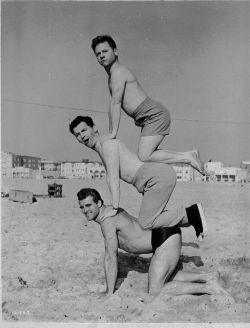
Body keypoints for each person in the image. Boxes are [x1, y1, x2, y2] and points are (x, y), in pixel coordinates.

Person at [69, 115, 207, 240]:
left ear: (94, 128)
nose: (82, 136)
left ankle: (192, 213)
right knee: (153, 218)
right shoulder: (103, 147)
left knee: (146, 222)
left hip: (155, 177)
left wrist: (114, 208)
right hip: (151, 179)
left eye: (84, 130)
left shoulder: (107, 145)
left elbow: (113, 178)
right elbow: (110, 178)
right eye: (77, 134)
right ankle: (190, 219)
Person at [77, 188, 229, 299]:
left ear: (99, 203)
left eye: (89, 205)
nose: (85, 210)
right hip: (163, 235)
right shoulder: (111, 210)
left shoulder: (107, 221)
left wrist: (109, 293)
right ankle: (209, 276)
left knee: (155, 291)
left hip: (164, 239)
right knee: (165, 277)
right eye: (82, 207)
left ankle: (208, 287)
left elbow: (111, 256)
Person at [91, 35, 205, 175]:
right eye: (98, 54)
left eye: (105, 51)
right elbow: (112, 105)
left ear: (115, 51)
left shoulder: (118, 73)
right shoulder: (113, 76)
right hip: (148, 118)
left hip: (154, 115)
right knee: (146, 155)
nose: (101, 56)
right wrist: (110, 133)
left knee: (144, 155)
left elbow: (116, 103)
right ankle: (188, 156)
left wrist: (113, 133)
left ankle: (187, 157)